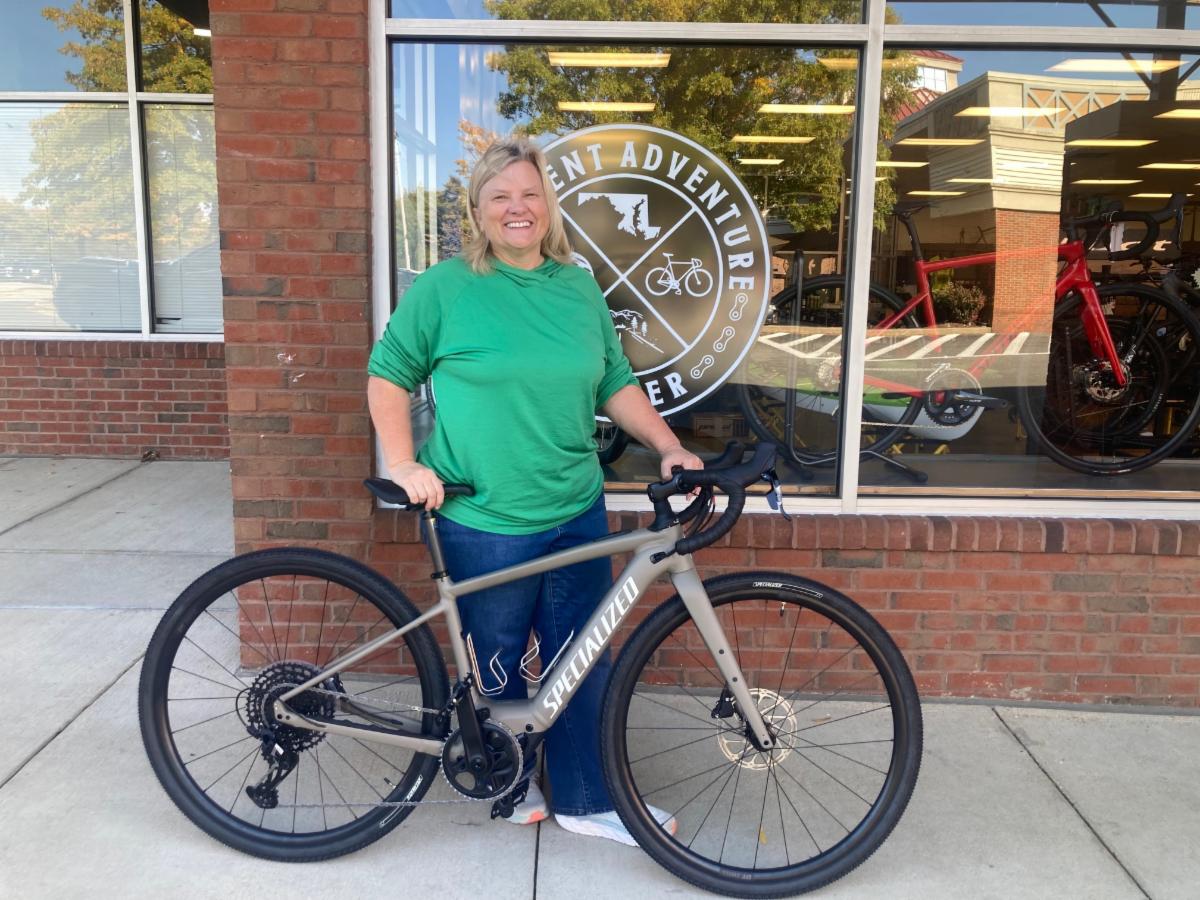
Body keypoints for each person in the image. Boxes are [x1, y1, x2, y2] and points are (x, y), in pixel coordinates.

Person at [366, 136, 703, 845]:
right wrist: (402, 463)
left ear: (548, 205)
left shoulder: (577, 286)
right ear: (477, 211)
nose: (516, 208)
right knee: (496, 659)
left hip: (575, 507)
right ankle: (507, 779)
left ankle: (588, 799)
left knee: (582, 657)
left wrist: (668, 444)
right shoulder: (444, 288)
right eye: (500, 196)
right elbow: (389, 374)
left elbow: (614, 381)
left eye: (530, 194)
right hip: (484, 515)